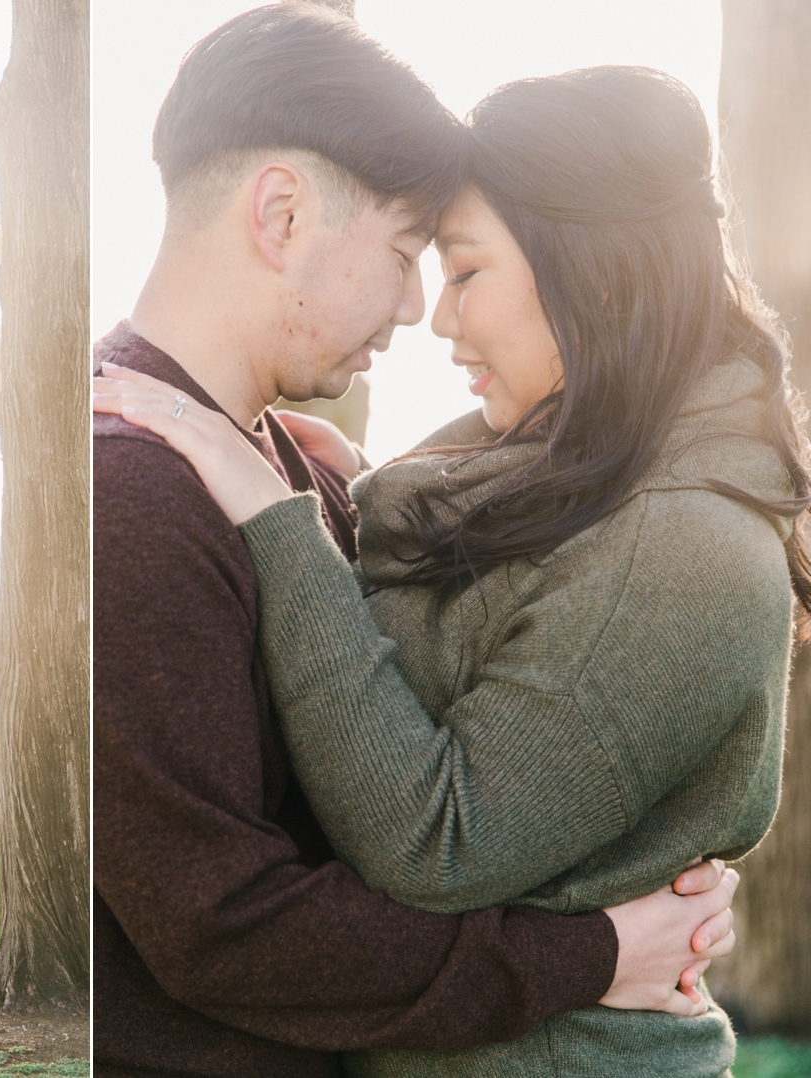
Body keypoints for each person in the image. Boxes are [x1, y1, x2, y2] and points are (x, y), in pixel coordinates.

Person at [96, 62, 807, 1078]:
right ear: (281, 214)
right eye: (410, 253)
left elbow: (437, 829)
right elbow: (227, 915)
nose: (426, 309)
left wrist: (304, 520)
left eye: (461, 268)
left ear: (594, 278)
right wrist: (590, 952)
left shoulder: (676, 538)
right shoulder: (150, 483)